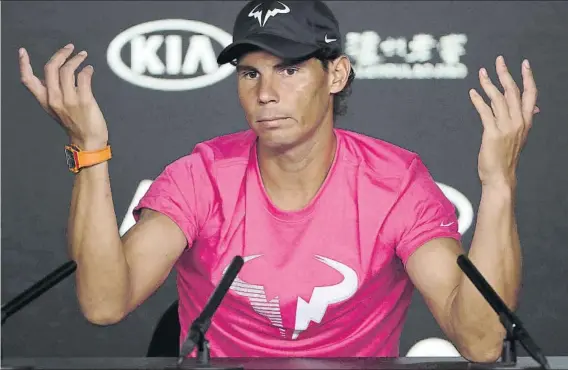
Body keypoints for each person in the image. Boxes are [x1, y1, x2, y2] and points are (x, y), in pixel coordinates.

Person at [18, 0, 538, 362]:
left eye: (289, 69)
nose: (265, 92)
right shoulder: (201, 176)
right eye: (250, 73)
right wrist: (90, 151)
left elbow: (481, 340)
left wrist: (498, 184)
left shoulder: (395, 183)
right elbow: (105, 304)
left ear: (335, 75)